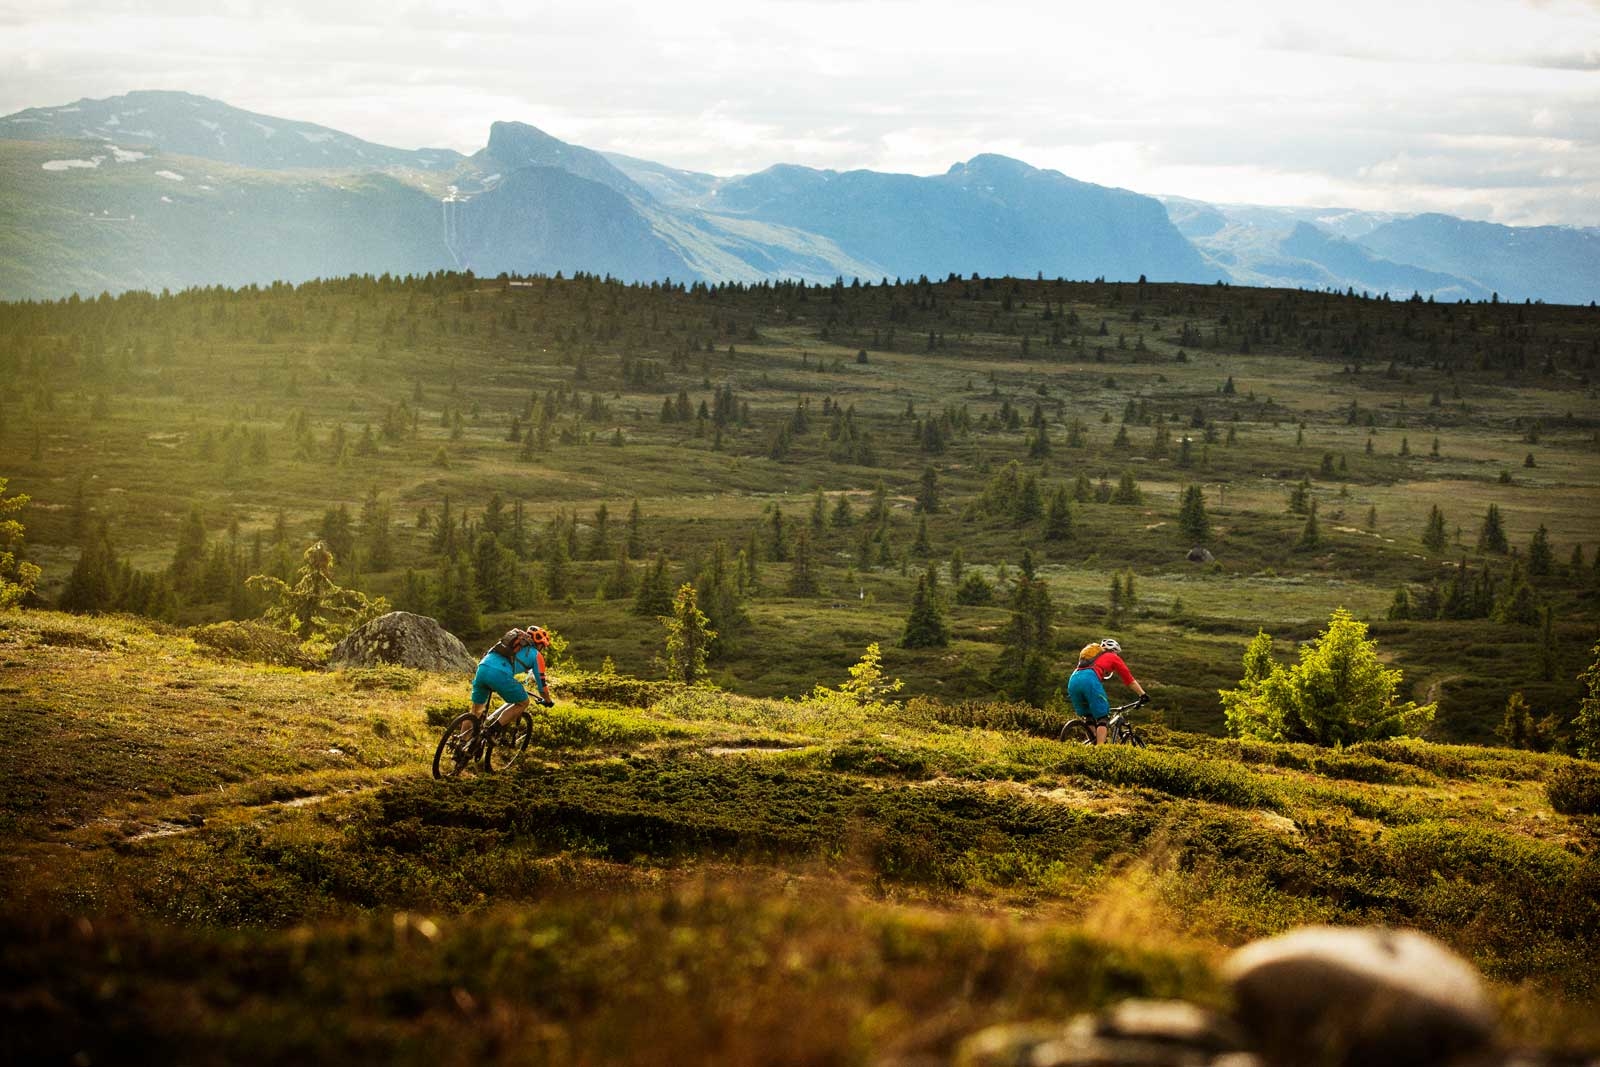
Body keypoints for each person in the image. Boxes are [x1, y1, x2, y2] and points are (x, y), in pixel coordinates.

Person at [470, 625, 554, 737]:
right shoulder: (536, 655)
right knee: (523, 702)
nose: (541, 649)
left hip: (483, 668)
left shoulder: (508, 643)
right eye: (542, 646)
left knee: (475, 713)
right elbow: (542, 686)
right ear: (539, 644)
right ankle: (491, 731)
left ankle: (461, 744)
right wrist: (547, 700)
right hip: (500, 674)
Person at [1067, 636, 1147, 745]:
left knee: (1089, 716)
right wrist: (1142, 694)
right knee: (1102, 718)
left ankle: (1093, 742)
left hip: (1073, 679)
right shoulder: (1113, 657)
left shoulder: (1092, 656)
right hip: (1090, 679)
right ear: (1114, 651)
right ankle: (1101, 751)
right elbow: (1129, 680)